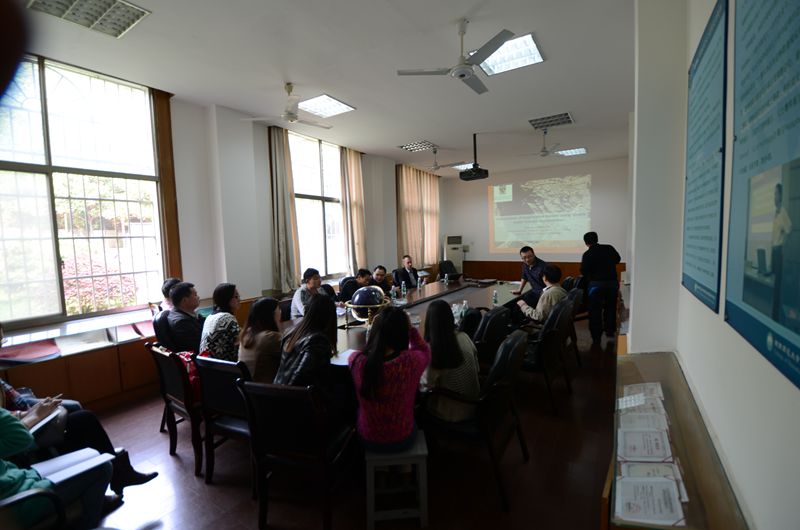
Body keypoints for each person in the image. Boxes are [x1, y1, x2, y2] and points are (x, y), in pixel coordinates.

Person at [0, 406, 113, 529]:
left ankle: (92, 507)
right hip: (18, 503)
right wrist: (34, 415)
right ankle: (88, 522)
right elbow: (21, 437)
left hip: (20, 480)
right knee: (103, 468)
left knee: (92, 456)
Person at [348, 307, 430, 451]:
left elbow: (367, 352)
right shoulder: (410, 362)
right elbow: (424, 351)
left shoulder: (355, 361)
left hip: (368, 438)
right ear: (402, 333)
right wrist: (411, 329)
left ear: (375, 332)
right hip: (403, 437)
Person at [420, 300, 480, 423]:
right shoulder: (464, 336)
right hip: (475, 403)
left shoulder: (433, 350)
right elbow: (477, 368)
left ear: (429, 323)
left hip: (451, 412)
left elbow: (425, 387)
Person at [275, 294, 338, 388]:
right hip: (295, 394)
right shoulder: (317, 341)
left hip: (278, 390)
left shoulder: (291, 332)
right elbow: (300, 379)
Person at [580, 231, 621, 344]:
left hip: (595, 285)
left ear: (586, 243)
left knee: (594, 310)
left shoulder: (587, 254)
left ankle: (596, 336)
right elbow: (618, 259)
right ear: (597, 239)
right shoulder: (609, 248)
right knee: (610, 307)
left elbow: (584, 271)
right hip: (612, 284)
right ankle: (610, 331)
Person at [238, 297, 282, 383]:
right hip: (267, 388)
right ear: (270, 316)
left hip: (251, 387)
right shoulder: (270, 337)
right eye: (278, 310)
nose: (280, 312)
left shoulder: (246, 334)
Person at [516, 264, 568, 330]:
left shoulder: (548, 294)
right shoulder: (561, 289)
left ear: (545, 278)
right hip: (557, 326)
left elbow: (538, 317)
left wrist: (523, 306)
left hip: (544, 327)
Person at [200, 283, 241, 361]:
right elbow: (241, 344)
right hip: (224, 366)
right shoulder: (227, 318)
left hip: (207, 364)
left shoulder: (210, 316)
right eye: (236, 296)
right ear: (226, 299)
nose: (239, 299)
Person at [771, 183, 792, 321]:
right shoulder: (776, 212)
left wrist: (783, 244)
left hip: (779, 252)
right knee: (773, 285)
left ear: (780, 196)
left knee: (777, 288)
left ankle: (775, 318)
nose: (774, 196)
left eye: (776, 193)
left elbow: (789, 228)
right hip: (774, 252)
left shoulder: (783, 212)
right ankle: (773, 315)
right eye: (774, 194)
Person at [166, 282, 204, 353]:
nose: (198, 297)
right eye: (195, 295)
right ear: (185, 300)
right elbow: (200, 345)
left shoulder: (186, 313)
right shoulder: (181, 322)